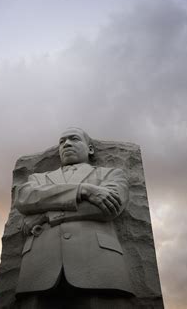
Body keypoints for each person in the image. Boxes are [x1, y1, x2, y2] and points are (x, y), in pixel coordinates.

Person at [14, 127, 135, 308]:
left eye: (74, 139)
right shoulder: (37, 179)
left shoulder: (110, 174)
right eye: (62, 141)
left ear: (90, 149)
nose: (67, 144)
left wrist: (46, 216)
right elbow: (25, 198)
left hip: (99, 264)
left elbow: (109, 208)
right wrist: (84, 190)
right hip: (39, 267)